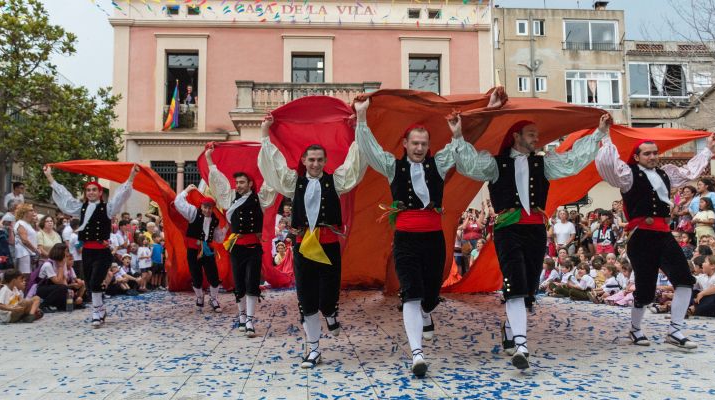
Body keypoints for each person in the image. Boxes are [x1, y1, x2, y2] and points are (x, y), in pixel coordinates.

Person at [452, 104, 611, 370]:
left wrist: (598, 133)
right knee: (514, 282)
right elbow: (468, 164)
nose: (536, 138)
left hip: (535, 229)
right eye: (531, 134)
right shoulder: (496, 163)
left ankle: (511, 328)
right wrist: (457, 136)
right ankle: (522, 345)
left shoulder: (543, 162)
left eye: (536, 134)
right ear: (516, 136)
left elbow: (573, 161)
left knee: (527, 287)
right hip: (508, 228)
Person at [353, 96, 473, 377]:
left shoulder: (438, 165)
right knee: (410, 293)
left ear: (428, 146)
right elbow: (370, 149)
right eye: (414, 143)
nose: (419, 148)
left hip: (433, 239)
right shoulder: (392, 166)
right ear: (405, 144)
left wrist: (457, 133)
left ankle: (428, 311)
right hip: (405, 238)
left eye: (423, 144)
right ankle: (417, 353)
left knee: (430, 295)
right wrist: (361, 117)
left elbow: (455, 152)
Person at [258, 113, 365, 369]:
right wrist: (264, 133)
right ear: (304, 161)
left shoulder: (335, 182)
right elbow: (274, 165)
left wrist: (360, 123)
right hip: (304, 247)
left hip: (328, 247)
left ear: (325, 161)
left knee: (327, 297)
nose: (315, 164)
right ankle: (314, 350)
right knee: (307, 299)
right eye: (311, 160)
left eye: (319, 160)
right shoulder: (294, 183)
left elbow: (355, 162)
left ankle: (330, 311)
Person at [595, 129, 715, 349]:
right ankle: (635, 329)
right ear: (636, 157)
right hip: (640, 236)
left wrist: (707, 149)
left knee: (684, 280)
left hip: (663, 235)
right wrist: (605, 136)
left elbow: (689, 171)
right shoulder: (628, 174)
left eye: (655, 153)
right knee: (645, 288)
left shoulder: (665, 174)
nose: (653, 157)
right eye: (647, 154)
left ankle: (675, 330)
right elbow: (609, 165)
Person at [44, 164, 137, 328]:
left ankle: (96, 311)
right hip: (87, 251)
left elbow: (121, 196)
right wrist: (50, 177)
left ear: (100, 192)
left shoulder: (107, 208)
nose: (91, 192)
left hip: (102, 252)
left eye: (94, 190)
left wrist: (131, 177)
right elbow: (65, 198)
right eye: (89, 190)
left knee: (95, 281)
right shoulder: (80, 208)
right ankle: (100, 309)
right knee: (90, 283)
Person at [204, 148, 276, 338]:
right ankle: (242, 316)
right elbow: (218, 182)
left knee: (252, 282)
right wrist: (210, 158)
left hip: (254, 248)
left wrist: (271, 158)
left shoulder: (260, 199)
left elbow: (271, 183)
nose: (238, 185)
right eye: (237, 182)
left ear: (251, 184)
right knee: (239, 283)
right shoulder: (230, 198)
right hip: (236, 248)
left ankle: (251, 319)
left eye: (242, 182)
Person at [174, 184, 226, 312]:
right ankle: (199, 297)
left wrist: (226, 228)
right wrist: (187, 190)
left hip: (207, 251)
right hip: (193, 250)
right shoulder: (193, 213)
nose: (207, 210)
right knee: (196, 276)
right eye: (205, 207)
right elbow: (178, 202)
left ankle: (213, 299)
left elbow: (218, 238)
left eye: (210, 208)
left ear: (213, 208)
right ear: (201, 206)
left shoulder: (215, 220)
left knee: (213, 276)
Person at [13, 204, 38, 280]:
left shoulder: (28, 224)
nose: (33, 212)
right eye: (31, 210)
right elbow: (24, 240)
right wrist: (35, 250)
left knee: (29, 276)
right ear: (24, 212)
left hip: (29, 253)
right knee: (24, 277)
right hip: (23, 253)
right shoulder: (20, 223)